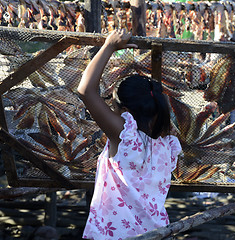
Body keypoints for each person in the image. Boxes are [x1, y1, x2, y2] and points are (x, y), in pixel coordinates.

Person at [77, 29, 182, 240]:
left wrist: (109, 46)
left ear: (124, 112)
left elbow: (86, 91)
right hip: (156, 233)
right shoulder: (167, 146)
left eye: (112, 106)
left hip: (116, 236)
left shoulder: (125, 137)